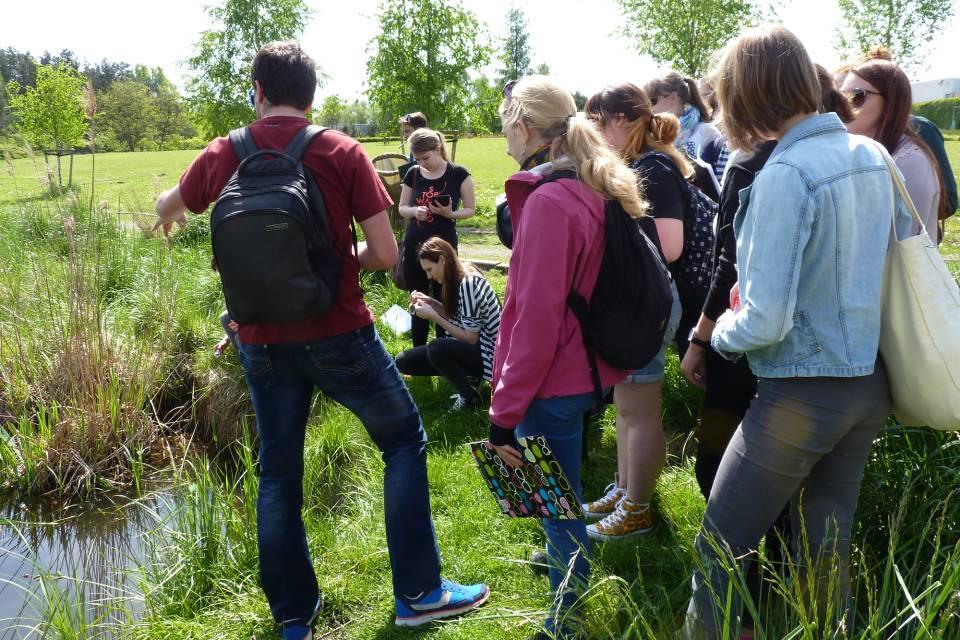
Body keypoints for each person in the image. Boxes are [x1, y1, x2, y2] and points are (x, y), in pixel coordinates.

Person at [152, 41, 488, 640]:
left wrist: (171, 212)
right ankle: (419, 593)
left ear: (258, 91)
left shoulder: (224, 152)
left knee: (278, 474)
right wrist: (340, 262)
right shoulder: (341, 151)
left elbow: (168, 203)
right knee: (403, 440)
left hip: (259, 339)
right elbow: (386, 256)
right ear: (312, 97)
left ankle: (293, 621)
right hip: (339, 332)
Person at [683, 26, 912, 638]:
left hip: (800, 394)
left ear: (746, 94)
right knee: (823, 550)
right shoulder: (871, 154)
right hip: (869, 382)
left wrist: (716, 334)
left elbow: (765, 320)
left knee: (719, 549)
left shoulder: (784, 174)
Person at [488, 76, 640, 639]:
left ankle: (567, 619)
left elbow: (535, 319)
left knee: (557, 504)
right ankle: (564, 569)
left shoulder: (550, 200)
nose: (503, 130)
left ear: (524, 127)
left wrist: (503, 410)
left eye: (506, 119)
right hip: (586, 368)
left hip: (551, 380)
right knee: (558, 494)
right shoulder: (586, 184)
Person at [579, 84, 683, 540]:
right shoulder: (639, 165)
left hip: (648, 303)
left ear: (619, 120)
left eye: (597, 123)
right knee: (626, 406)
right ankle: (625, 489)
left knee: (640, 410)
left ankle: (637, 507)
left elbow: (671, 246)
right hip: (638, 301)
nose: (596, 134)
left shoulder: (654, 168)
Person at [841, 57, 948, 244]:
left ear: (890, 101)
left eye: (856, 97)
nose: (843, 107)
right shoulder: (865, 153)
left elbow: (899, 241)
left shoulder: (911, 162)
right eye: (841, 98)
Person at [395, 237, 502, 412]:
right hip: (478, 346)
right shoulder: (458, 277)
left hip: (490, 353)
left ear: (442, 260)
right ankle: (469, 378)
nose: (429, 276)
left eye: (430, 269)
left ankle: (471, 396)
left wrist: (434, 316)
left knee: (437, 348)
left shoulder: (468, 284)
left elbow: (470, 338)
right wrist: (431, 303)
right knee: (403, 361)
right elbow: (459, 317)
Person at [398, 129, 476, 347]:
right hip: (416, 243)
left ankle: (444, 348)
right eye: (418, 159)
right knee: (418, 295)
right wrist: (414, 212)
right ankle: (419, 353)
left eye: (426, 158)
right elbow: (402, 207)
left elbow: (471, 209)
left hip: (444, 245)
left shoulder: (459, 173)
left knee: (446, 296)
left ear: (438, 148)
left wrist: (450, 214)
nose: (422, 163)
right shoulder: (412, 173)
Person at [645, 71, 728, 185]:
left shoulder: (705, 131)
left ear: (673, 98)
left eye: (652, 101)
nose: (649, 108)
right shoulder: (655, 138)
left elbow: (724, 175)